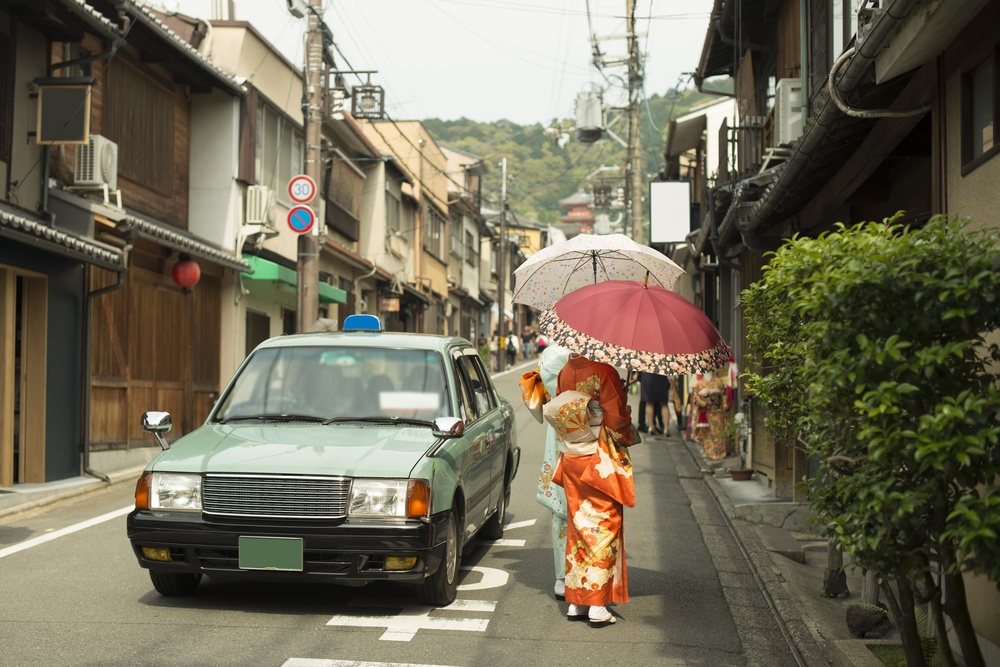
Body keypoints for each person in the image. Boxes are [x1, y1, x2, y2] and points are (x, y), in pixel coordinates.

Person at [553, 352, 634, 627]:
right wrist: (625, 411)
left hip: (572, 456)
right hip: (597, 458)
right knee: (604, 524)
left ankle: (577, 600)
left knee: (579, 527)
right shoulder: (604, 371)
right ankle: (597, 604)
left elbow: (563, 414)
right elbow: (616, 420)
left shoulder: (565, 371)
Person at [534, 344, 571, 601]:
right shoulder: (596, 358)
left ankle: (562, 576)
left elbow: (543, 391)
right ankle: (586, 574)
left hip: (558, 430)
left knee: (561, 504)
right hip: (590, 435)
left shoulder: (551, 356)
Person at [690, 370, 731, 459]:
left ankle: (720, 453)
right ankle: (708, 452)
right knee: (707, 433)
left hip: (717, 411)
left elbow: (724, 395)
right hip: (705, 412)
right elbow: (696, 398)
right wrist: (702, 403)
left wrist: (724, 405)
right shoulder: (700, 384)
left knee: (718, 433)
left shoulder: (719, 381)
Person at [638, 371, 671, 436]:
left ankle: (651, 427)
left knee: (649, 402)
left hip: (648, 374)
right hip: (661, 374)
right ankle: (666, 428)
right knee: (664, 403)